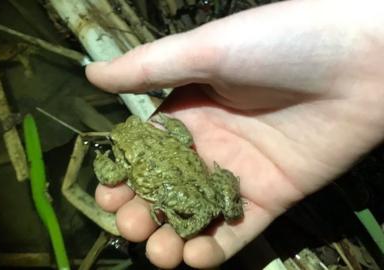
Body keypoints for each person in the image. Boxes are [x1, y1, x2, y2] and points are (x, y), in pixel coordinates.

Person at [85, 0, 384, 268]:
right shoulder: (155, 144)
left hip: (181, 184)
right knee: (207, 208)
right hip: (187, 175)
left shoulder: (126, 161)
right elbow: (185, 139)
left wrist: (101, 158)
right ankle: (220, 205)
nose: (127, 128)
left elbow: (112, 176)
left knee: (195, 213)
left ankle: (188, 222)